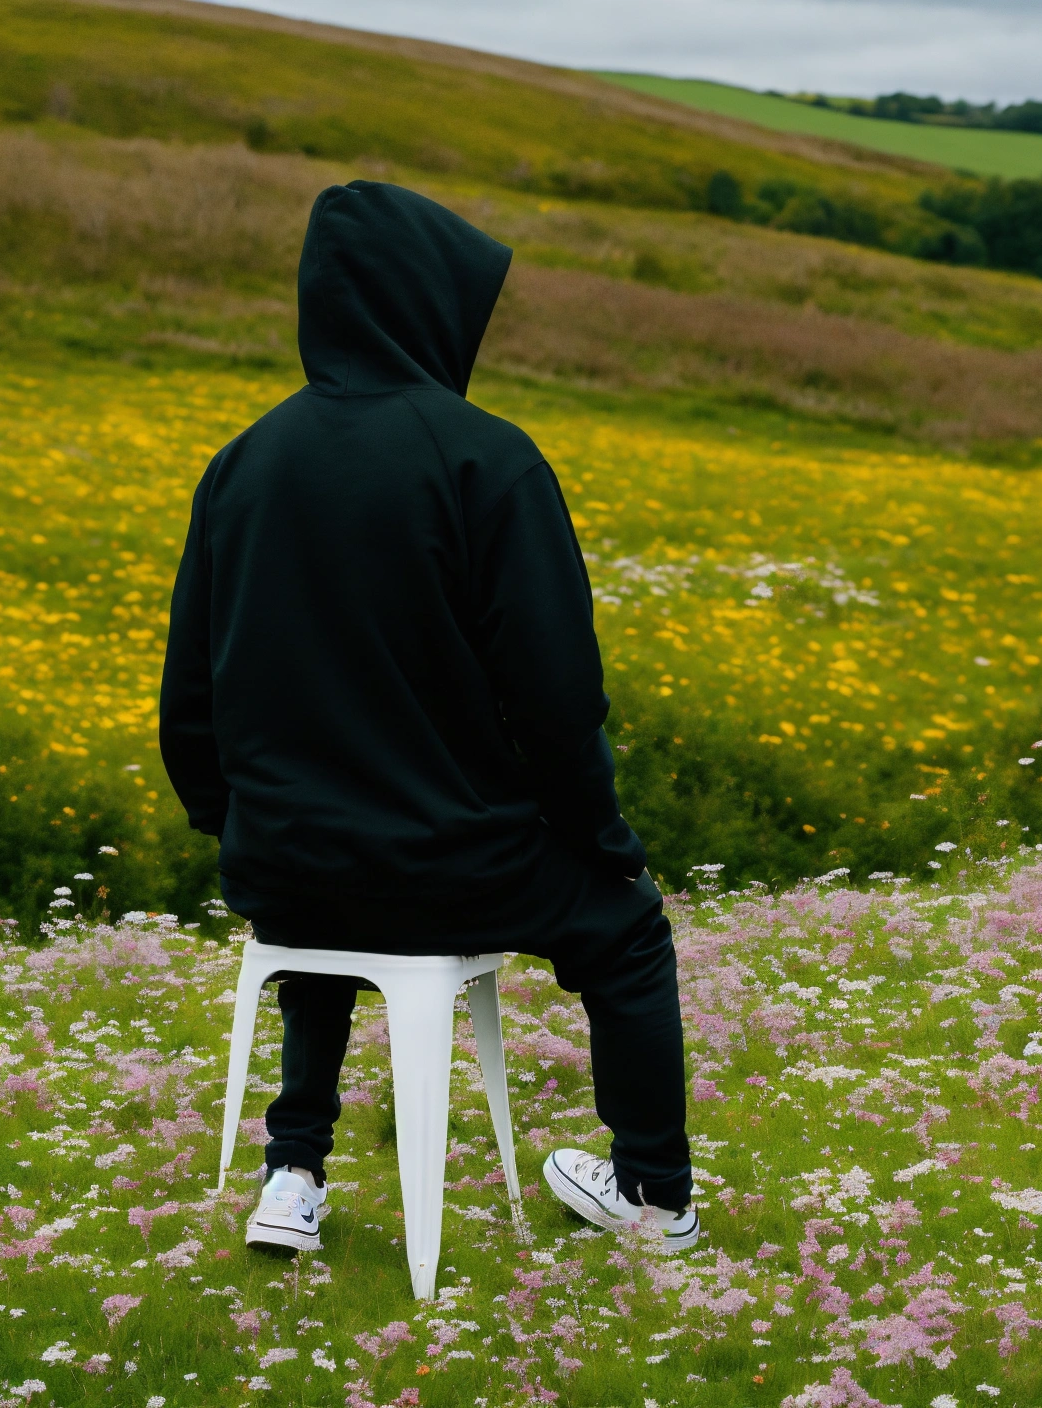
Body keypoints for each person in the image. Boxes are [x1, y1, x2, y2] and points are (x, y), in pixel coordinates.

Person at [158, 180, 697, 1256]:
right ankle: (651, 1196)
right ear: (428, 304)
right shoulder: (485, 459)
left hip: (281, 858)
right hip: (457, 864)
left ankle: (292, 1175)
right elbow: (555, 700)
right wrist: (600, 841)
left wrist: (239, 821)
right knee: (626, 932)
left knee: (324, 910)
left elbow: (189, 698)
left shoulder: (242, 463)